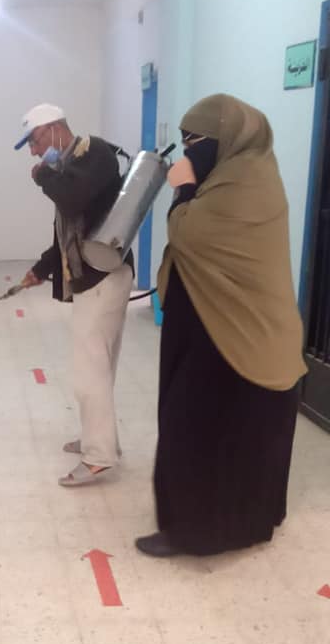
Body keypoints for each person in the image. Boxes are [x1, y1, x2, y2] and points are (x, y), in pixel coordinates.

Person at [136, 93, 307, 558]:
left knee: (194, 428)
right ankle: (242, 520)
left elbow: (188, 232)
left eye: (195, 142)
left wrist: (183, 189)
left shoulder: (243, 185)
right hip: (220, 330)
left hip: (237, 340)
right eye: (183, 141)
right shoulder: (237, 177)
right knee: (223, 433)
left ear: (227, 139)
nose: (188, 151)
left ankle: (193, 532)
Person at [15, 103, 133, 486]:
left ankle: (98, 456)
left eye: (34, 141)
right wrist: (40, 269)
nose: (34, 151)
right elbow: (66, 233)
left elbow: (71, 199)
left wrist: (43, 175)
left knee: (87, 370)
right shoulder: (69, 165)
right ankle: (100, 440)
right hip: (93, 277)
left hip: (103, 276)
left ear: (53, 129)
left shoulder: (94, 153)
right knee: (98, 367)